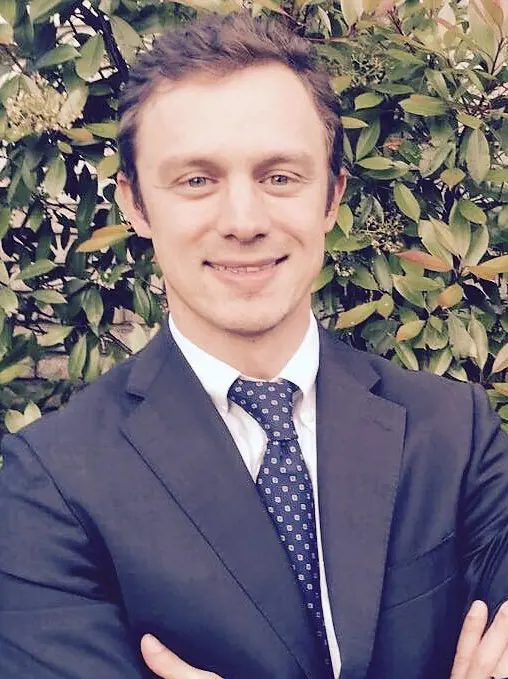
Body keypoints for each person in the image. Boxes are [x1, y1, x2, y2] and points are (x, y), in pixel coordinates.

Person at [0, 11, 507, 679]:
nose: (243, 222)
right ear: (135, 204)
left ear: (332, 197)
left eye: (279, 176)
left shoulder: (455, 430)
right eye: (196, 180)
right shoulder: (49, 484)